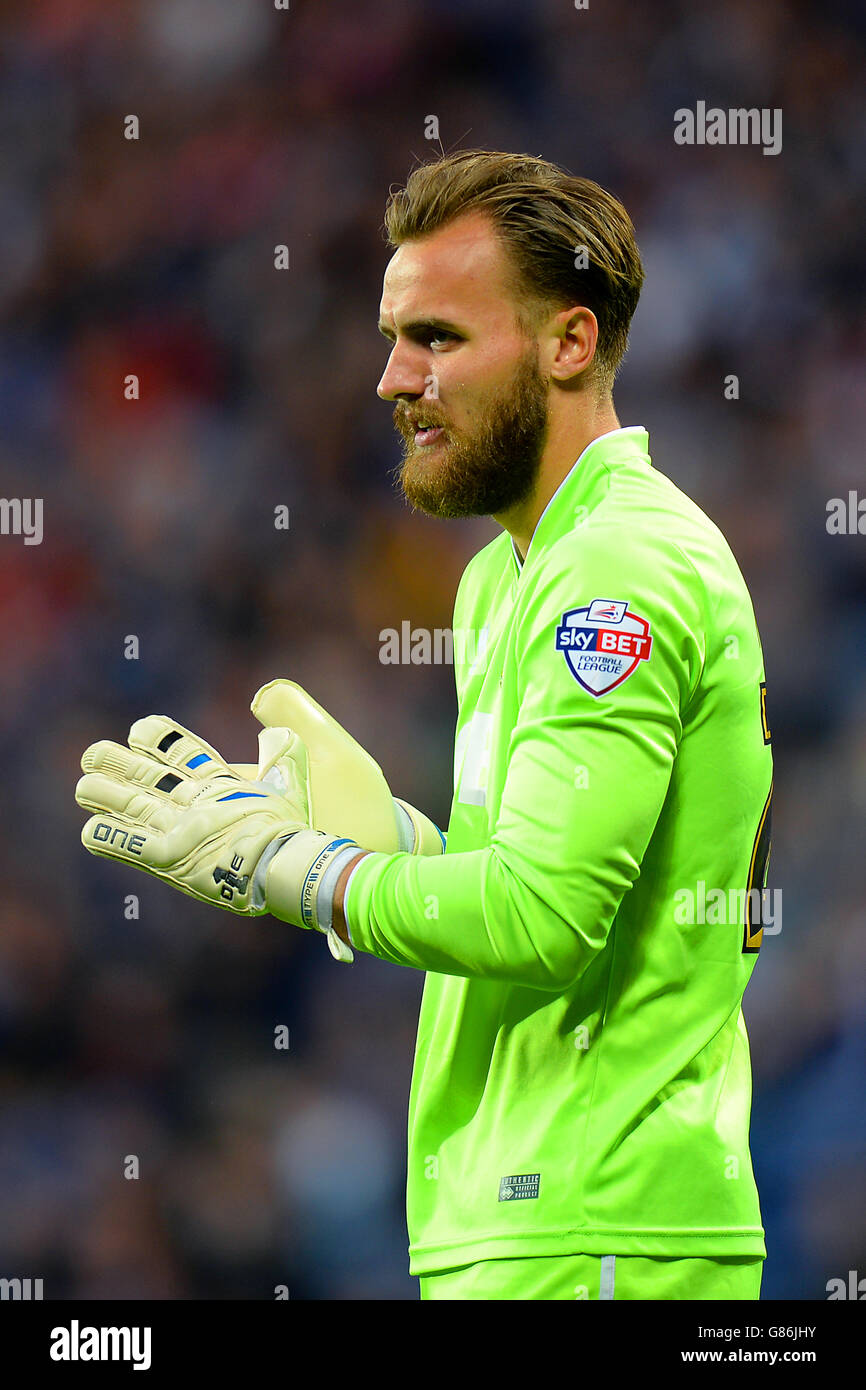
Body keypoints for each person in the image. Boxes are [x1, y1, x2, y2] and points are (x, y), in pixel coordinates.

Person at [76, 150, 773, 1302]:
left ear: (568, 343)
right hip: (533, 1226)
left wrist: (300, 869)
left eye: (439, 337)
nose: (394, 377)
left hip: (599, 1231)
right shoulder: (507, 574)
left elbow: (544, 918)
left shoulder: (616, 564)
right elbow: (548, 892)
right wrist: (394, 842)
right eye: (394, 335)